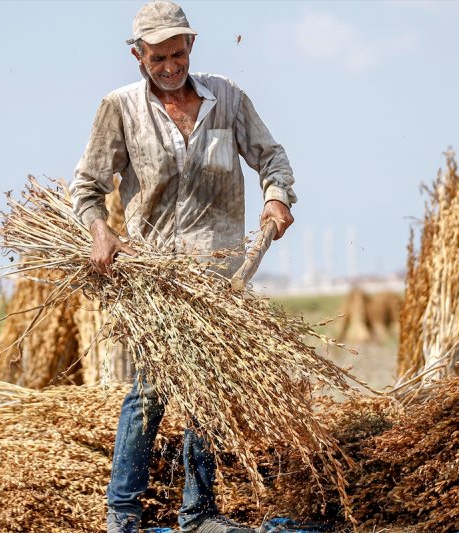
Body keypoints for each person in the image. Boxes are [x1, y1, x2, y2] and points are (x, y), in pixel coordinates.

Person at [69, 2, 296, 532]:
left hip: (221, 276)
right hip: (155, 277)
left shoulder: (227, 98)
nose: (170, 67)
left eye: (177, 54)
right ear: (137, 56)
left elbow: (271, 157)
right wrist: (101, 231)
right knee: (151, 389)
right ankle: (123, 513)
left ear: (191, 46)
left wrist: (276, 196)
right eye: (157, 58)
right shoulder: (120, 108)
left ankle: (198, 514)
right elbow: (87, 186)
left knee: (207, 391)